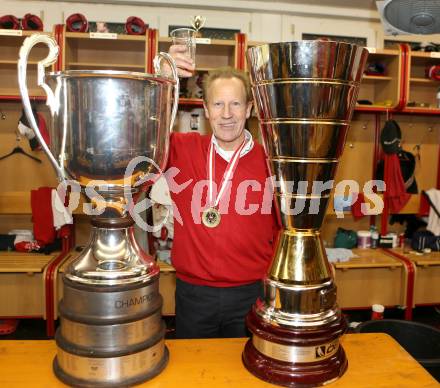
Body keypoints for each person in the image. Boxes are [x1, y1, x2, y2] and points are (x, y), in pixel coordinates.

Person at [157, 44, 279, 339]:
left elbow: (285, 229)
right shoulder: (182, 149)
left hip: (252, 294)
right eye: (218, 104)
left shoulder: (272, 160)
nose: (227, 114)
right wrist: (162, 80)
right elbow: (142, 130)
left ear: (249, 109)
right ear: (206, 110)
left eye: (235, 104)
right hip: (193, 295)